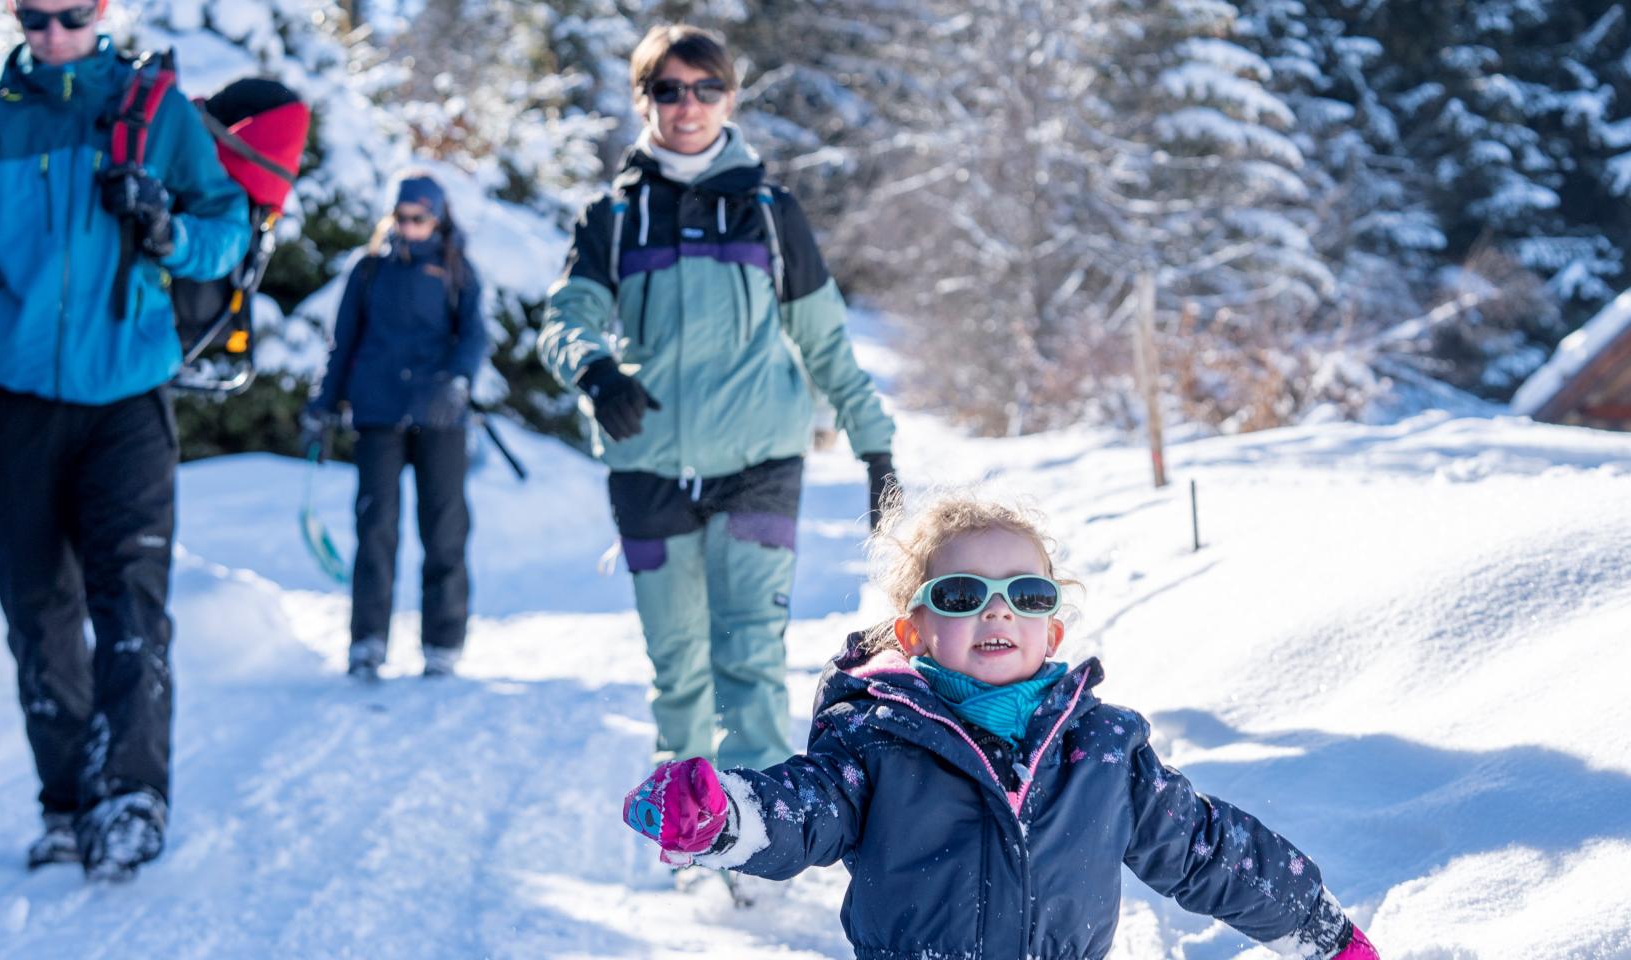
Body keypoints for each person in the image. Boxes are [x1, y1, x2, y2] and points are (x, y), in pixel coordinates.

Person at [620, 493, 1382, 960]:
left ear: (1051, 633)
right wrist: (721, 816)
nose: (997, 610)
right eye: (961, 593)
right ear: (913, 632)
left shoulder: (1106, 754)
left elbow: (1211, 851)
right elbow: (804, 810)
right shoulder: (876, 742)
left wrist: (1324, 934)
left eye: (1025, 593)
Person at [0, 0, 250, 881]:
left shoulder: (155, 114)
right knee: (38, 612)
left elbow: (228, 228)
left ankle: (133, 793)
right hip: (19, 402)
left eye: (68, 16)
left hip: (127, 402)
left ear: (102, 10)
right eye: (33, 18)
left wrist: (169, 230)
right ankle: (67, 799)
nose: (51, 36)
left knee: (130, 605)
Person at [538, 25, 898, 773]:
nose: (687, 105)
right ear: (644, 100)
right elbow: (565, 319)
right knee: (677, 669)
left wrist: (876, 447)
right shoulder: (612, 218)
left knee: (751, 659)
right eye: (667, 89)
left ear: (730, 96)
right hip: (648, 467)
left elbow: (824, 341)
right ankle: (687, 823)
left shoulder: (770, 212)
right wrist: (596, 372)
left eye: (704, 88)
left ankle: (754, 843)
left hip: (759, 462)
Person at [306, 173, 489, 680]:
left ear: (437, 217)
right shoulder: (368, 271)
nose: (409, 227)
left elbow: (473, 335)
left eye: (419, 218)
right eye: (402, 217)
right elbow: (341, 342)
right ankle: (367, 641)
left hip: (440, 416)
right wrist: (323, 405)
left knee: (445, 528)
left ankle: (442, 643)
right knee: (376, 528)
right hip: (377, 410)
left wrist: (457, 381)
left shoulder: (456, 270)